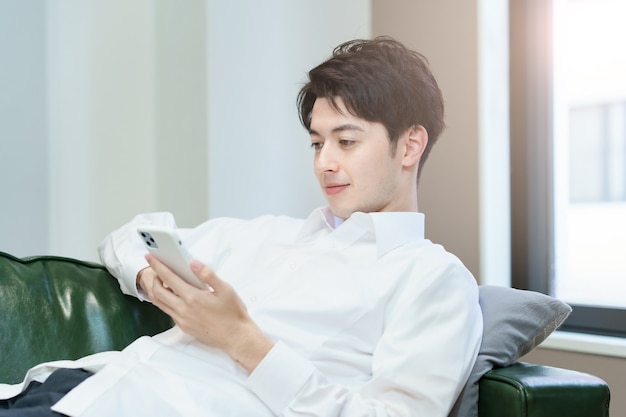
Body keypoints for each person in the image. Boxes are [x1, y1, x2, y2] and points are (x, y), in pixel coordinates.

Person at [0, 36, 482, 416]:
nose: (325, 164)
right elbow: (132, 235)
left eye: (347, 141)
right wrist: (153, 279)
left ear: (411, 145)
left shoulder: (433, 280)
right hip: (77, 388)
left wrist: (241, 339)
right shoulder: (268, 236)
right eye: (317, 144)